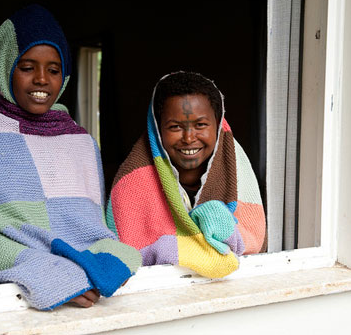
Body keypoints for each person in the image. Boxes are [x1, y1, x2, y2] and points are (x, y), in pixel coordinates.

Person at [0, 4, 141, 310]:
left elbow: (90, 226)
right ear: (3, 64)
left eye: (54, 69)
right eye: (26, 67)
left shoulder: (80, 142)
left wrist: (101, 260)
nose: (41, 79)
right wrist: (47, 272)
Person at [106, 71, 265, 278]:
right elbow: (125, 254)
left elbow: (254, 238)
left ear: (218, 125)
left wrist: (223, 226)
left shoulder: (236, 170)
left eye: (200, 125)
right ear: (156, 129)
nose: (189, 138)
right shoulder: (131, 184)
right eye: (175, 127)